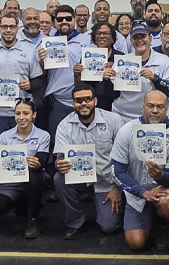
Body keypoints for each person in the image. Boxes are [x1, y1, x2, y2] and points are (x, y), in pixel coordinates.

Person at [110, 90, 169, 251]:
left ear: (167, 109)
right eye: (150, 106)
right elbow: (117, 171)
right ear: (143, 107)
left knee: (168, 203)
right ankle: (144, 216)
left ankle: (163, 227)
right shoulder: (126, 131)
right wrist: (143, 193)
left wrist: (161, 176)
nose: (155, 111)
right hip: (137, 191)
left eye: (160, 107)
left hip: (164, 189)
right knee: (135, 244)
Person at [54, 83, 126, 239]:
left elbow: (125, 157)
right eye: (79, 100)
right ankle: (75, 221)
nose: (83, 103)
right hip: (79, 179)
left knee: (109, 227)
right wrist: (59, 164)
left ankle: (114, 206)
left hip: (107, 180)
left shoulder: (113, 120)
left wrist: (117, 188)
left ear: (95, 101)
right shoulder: (64, 125)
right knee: (59, 179)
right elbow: (59, 157)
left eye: (88, 99)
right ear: (73, 103)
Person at [0, 14, 45, 161]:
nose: (8, 30)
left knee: (24, 156)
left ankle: (20, 184)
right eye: (4, 27)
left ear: (17, 28)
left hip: (22, 113)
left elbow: (38, 79)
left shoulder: (29, 51)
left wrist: (30, 85)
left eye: (12, 27)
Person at [0, 98, 50, 239]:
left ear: (34, 115)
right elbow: (1, 169)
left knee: (33, 172)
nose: (21, 117)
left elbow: (42, 162)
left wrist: (37, 163)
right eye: (18, 114)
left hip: (35, 179)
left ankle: (34, 218)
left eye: (26, 113)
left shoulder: (43, 135)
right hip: (11, 181)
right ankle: (20, 202)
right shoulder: (5, 136)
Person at [111, 22, 169, 121]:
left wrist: (155, 78)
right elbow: (112, 93)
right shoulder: (122, 61)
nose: (140, 40)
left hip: (155, 117)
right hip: (124, 116)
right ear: (131, 41)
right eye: (136, 38)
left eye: (143, 36)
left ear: (150, 39)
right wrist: (106, 79)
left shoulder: (164, 61)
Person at [39, 5, 84, 147]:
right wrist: (41, 61)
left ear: (75, 20)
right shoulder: (47, 43)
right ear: (54, 23)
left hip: (81, 100)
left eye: (68, 18)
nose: (64, 21)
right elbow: (43, 73)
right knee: (56, 141)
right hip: (57, 101)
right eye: (60, 19)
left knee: (80, 141)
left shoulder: (87, 42)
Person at [74, 21, 120, 112]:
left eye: (106, 33)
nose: (102, 36)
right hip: (90, 105)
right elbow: (79, 85)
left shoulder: (119, 58)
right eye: (98, 33)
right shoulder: (87, 56)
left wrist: (107, 78)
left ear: (113, 39)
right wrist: (76, 75)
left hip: (114, 106)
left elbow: (120, 91)